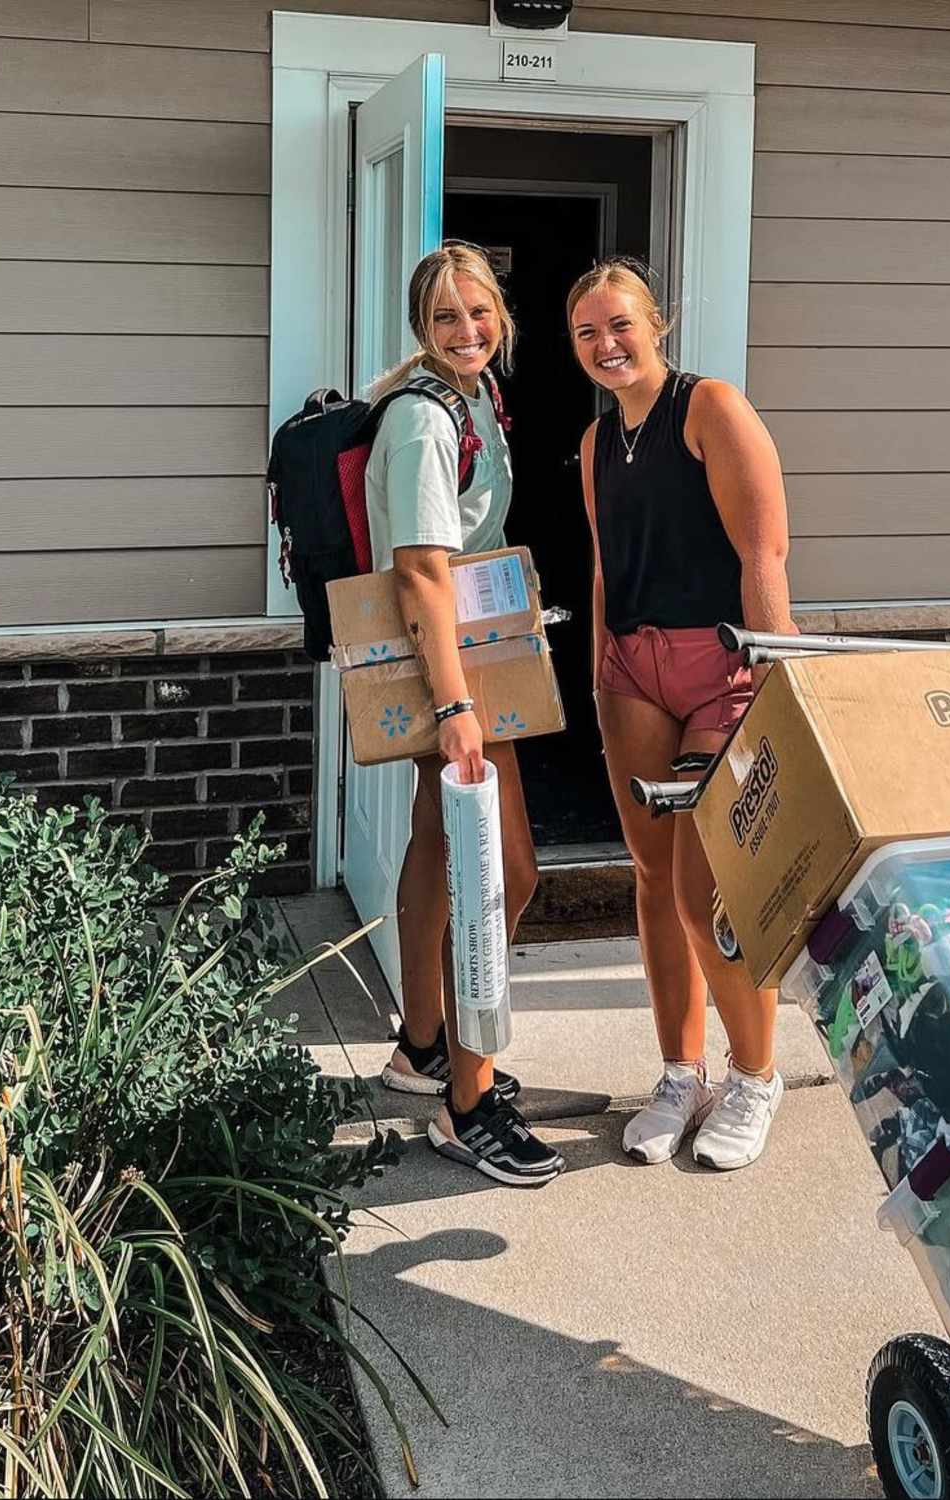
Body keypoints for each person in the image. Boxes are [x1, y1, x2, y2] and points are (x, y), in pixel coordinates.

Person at [569, 260, 796, 1171]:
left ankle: (756, 1076)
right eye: (586, 332)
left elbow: (764, 551)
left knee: (710, 890)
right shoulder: (594, 444)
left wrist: (778, 687)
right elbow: (600, 566)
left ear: (655, 324)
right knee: (654, 880)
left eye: (619, 324)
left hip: (723, 670)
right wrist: (597, 677)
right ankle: (680, 1073)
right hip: (631, 673)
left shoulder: (711, 409)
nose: (605, 344)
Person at [369, 243, 564, 1187]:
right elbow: (418, 569)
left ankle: (425, 1044)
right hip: (452, 666)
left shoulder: (477, 398)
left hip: (472, 651)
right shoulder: (423, 418)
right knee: (502, 874)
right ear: (423, 328)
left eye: (479, 312)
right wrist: (455, 706)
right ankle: (468, 1104)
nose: (468, 330)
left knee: (439, 848)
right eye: (447, 319)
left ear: (501, 314)